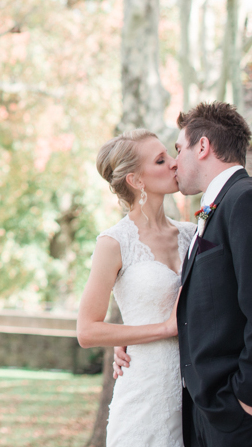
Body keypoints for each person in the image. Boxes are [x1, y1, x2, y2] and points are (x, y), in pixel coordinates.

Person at [114, 102, 252, 447]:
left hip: (245, 417)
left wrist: (246, 400)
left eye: (179, 149)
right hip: (210, 413)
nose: (175, 162)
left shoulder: (250, 201)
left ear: (203, 147)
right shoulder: (217, 210)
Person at [82, 128, 196, 446]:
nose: (174, 163)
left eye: (170, 155)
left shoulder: (192, 234)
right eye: (161, 160)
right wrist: (161, 329)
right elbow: (87, 331)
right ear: (136, 180)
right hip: (143, 396)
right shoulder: (114, 242)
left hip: (194, 400)